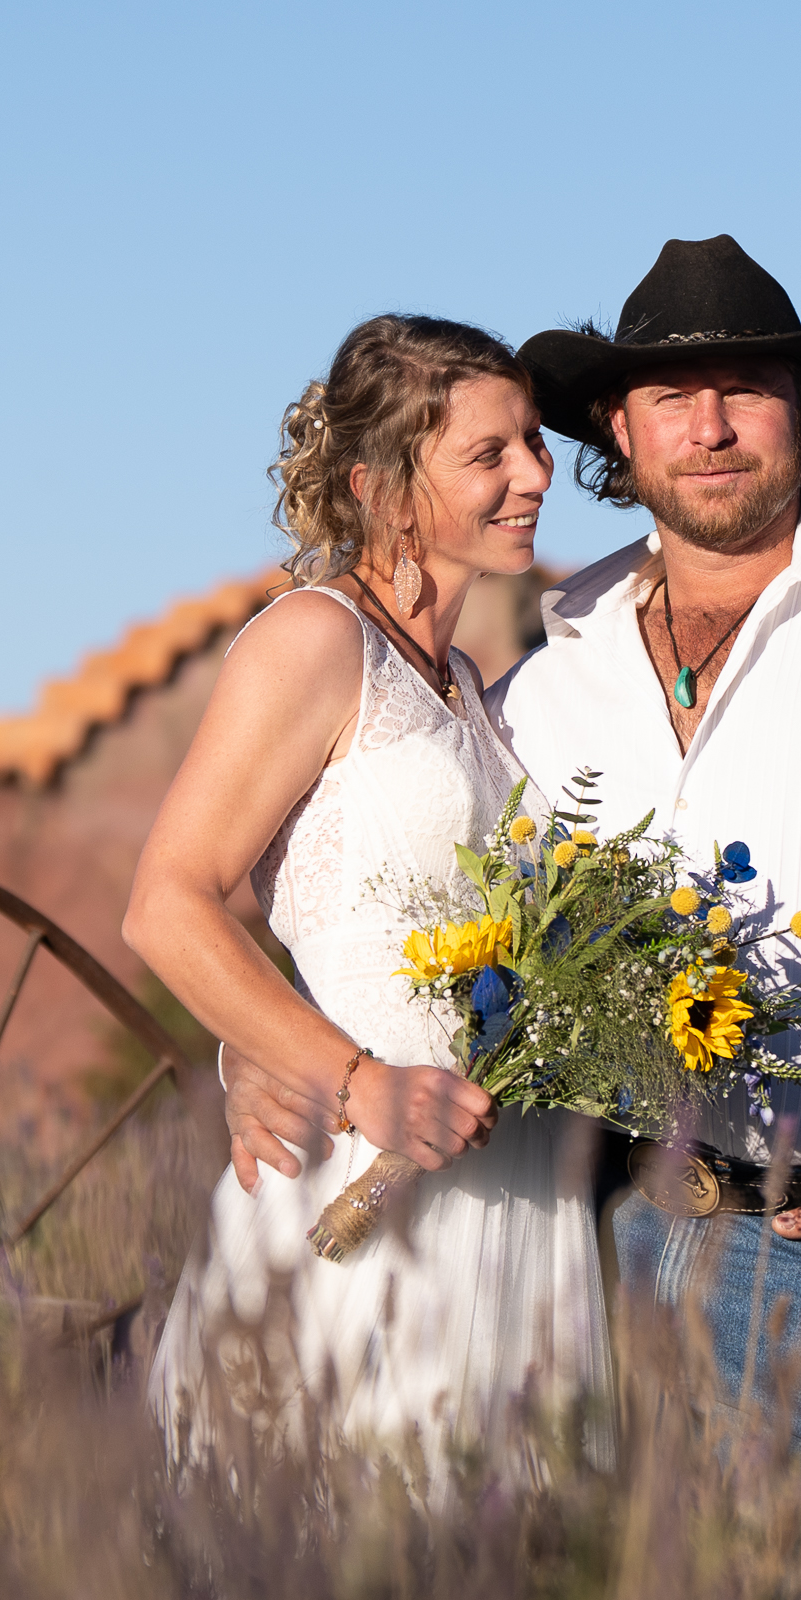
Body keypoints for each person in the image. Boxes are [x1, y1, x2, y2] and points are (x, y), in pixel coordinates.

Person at [222, 237, 801, 1474]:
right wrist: (265, 1049)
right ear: (619, 428)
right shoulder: (550, 685)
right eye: (669, 397)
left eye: (748, 387)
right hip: (582, 1233)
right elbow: (385, 881)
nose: (709, 426)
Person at [127, 314, 612, 1475]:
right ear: (384, 486)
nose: (535, 475)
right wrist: (348, 1083)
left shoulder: (472, 684)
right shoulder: (313, 638)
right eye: (489, 455)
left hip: (513, 1186)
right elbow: (168, 901)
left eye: (534, 444)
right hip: (361, 1181)